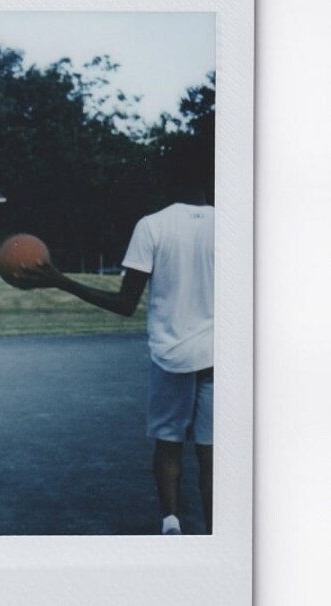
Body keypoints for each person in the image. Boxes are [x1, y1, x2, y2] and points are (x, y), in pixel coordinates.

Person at [17, 153, 214, 535]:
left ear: (167, 180)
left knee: (168, 447)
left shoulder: (153, 225)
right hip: (219, 356)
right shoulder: (235, 225)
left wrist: (62, 281)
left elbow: (125, 304)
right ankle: (214, 534)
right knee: (212, 457)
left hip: (171, 355)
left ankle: (171, 524)